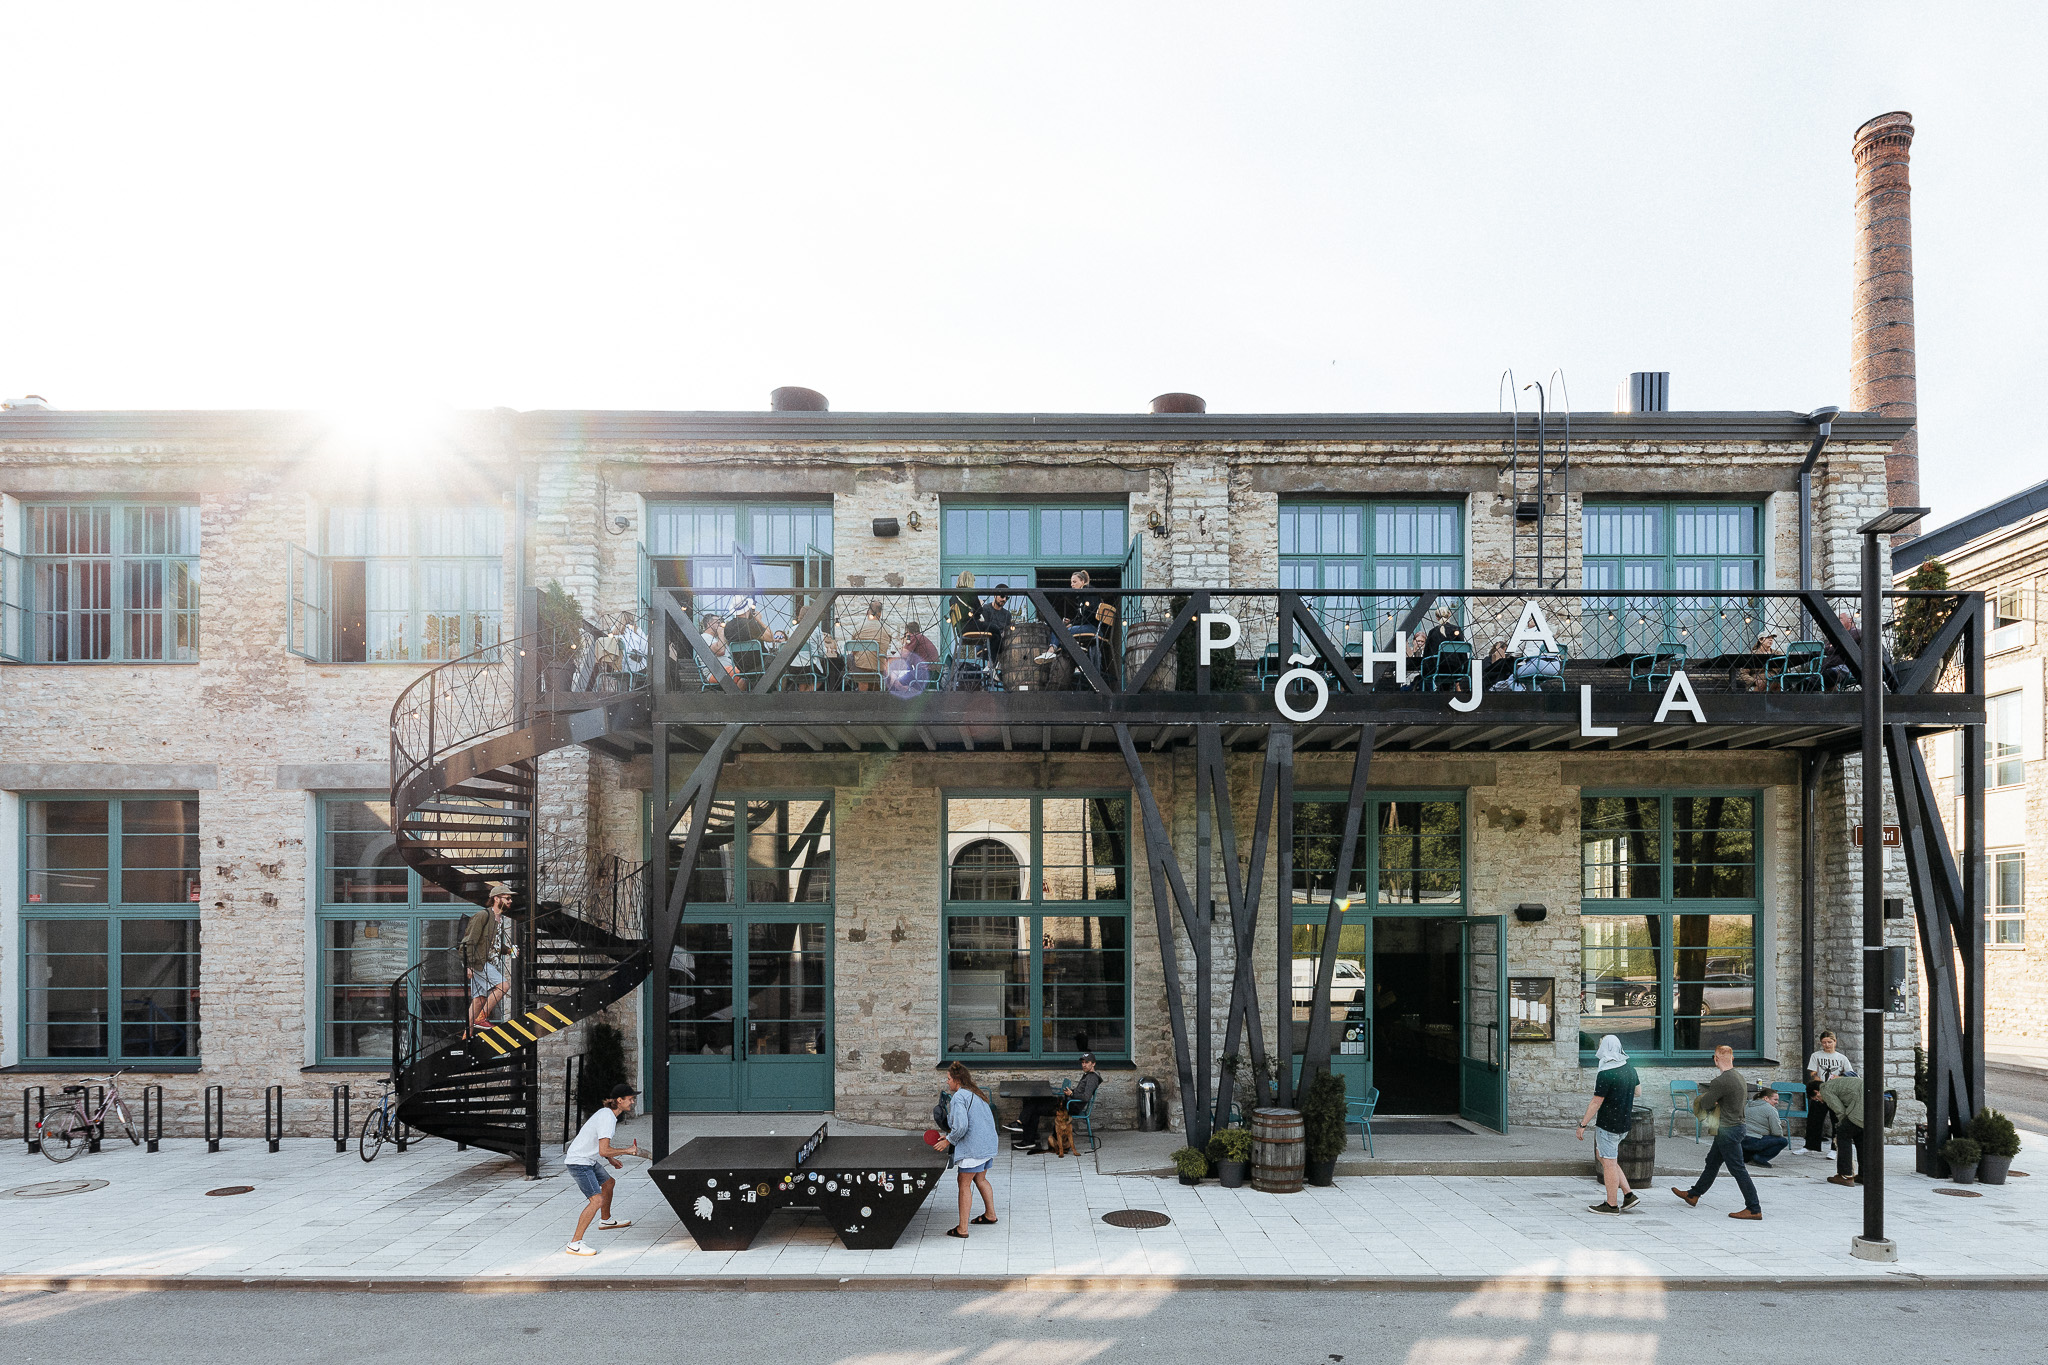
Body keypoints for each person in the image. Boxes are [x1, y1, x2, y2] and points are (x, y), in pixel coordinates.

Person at [1672, 1044, 1762, 1220]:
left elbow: (1705, 1104)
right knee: (1712, 1162)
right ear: (1732, 1058)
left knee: (1738, 1169)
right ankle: (1693, 1194)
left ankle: (1754, 1208)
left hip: (1727, 1129)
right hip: (1735, 1127)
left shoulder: (1721, 1081)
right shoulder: (1739, 1077)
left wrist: (1710, 1101)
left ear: (1716, 1059)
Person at [562, 1083, 642, 1256]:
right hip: (580, 1162)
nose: (633, 1102)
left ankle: (605, 1220)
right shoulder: (607, 1118)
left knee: (609, 1183)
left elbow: (601, 1146)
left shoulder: (607, 1115)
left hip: (588, 1159)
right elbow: (603, 1149)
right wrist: (626, 1151)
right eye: (630, 1099)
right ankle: (574, 1243)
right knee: (596, 1200)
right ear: (619, 1100)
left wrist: (611, 1159)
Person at [932, 1061, 999, 1237]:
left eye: (948, 1079)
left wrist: (948, 1141)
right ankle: (990, 1214)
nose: (947, 1082)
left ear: (957, 1080)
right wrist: (948, 1136)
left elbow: (961, 1127)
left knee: (964, 1183)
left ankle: (962, 1229)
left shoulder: (959, 1097)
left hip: (974, 1148)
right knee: (981, 1179)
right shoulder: (976, 1093)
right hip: (987, 1144)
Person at [1577, 1034, 1641, 1213]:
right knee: (1604, 1157)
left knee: (1609, 1162)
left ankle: (1611, 1204)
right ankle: (1628, 1195)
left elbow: (1596, 1102)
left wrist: (1582, 1125)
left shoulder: (1606, 1073)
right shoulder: (1629, 1068)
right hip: (1624, 1123)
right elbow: (1638, 1091)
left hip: (1608, 1124)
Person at [1005, 1053, 1102, 1152]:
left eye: (1087, 1062)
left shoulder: (1092, 1078)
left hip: (1069, 1106)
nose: (1084, 1065)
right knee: (1034, 1102)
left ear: (1093, 1064)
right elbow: (1080, 1092)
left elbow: (1086, 1097)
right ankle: (1026, 1134)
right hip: (1067, 1102)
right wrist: (1071, 1091)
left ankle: (1024, 1132)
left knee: (1033, 1106)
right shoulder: (1088, 1075)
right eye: (1082, 1062)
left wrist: (1071, 1094)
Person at [461, 882, 516, 1032]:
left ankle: (467, 1035)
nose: (510, 901)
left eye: (510, 899)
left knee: (479, 1000)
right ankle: (481, 1018)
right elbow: (468, 942)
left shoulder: (500, 919)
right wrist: (469, 965)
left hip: (488, 962)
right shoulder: (483, 916)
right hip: (479, 963)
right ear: (497, 899)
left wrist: (509, 951)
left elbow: (494, 945)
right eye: (507, 898)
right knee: (504, 986)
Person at [1804, 1030, 1854, 1153]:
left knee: (1836, 1119)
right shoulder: (1816, 1055)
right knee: (1814, 1119)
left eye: (1829, 1042)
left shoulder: (1841, 1058)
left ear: (1835, 1042)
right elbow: (1812, 1072)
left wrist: (1838, 1078)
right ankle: (1811, 1145)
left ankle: (1835, 1147)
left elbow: (1849, 1074)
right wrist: (1819, 1081)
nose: (1827, 1045)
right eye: (1824, 1042)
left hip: (1836, 1092)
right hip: (1820, 1090)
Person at [1818, 1072, 1866, 1187]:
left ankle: (1845, 1175)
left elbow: (1839, 1110)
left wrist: (1841, 1124)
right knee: (1861, 1136)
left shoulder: (1824, 1088)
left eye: (1817, 1098)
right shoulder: (1842, 1084)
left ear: (1816, 1092)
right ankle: (1865, 1175)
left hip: (1864, 1104)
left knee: (1843, 1133)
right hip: (1886, 1099)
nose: (1821, 1101)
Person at [846, 600, 892, 690]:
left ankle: (858, 689)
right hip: (879, 668)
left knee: (849, 657)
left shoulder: (859, 627)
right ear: (880, 613)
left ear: (867, 612)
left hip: (861, 668)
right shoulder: (887, 629)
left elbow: (854, 651)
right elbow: (885, 648)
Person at [1742, 1084, 1790, 1167]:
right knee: (1783, 1141)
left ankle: (1747, 1157)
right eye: (1775, 1099)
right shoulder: (1770, 1109)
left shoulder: (1748, 1105)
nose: (1777, 1102)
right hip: (1755, 1141)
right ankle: (1760, 1158)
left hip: (1742, 1140)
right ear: (1766, 1098)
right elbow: (1777, 1132)